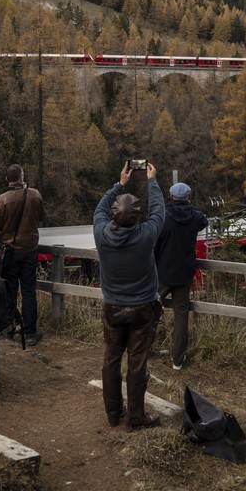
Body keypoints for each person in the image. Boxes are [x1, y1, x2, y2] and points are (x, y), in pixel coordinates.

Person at [93, 161, 164, 430]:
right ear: (137, 216)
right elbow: (159, 211)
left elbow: (99, 208)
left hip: (112, 307)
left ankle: (113, 414)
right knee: (137, 364)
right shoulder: (146, 235)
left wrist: (119, 184)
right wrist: (152, 181)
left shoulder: (101, 233)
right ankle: (135, 418)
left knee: (111, 359)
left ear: (113, 214)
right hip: (142, 310)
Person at [0, 164, 46, 346]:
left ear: (7, 180)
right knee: (28, 291)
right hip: (29, 251)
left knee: (10, 291)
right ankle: (30, 332)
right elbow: (42, 217)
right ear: (21, 177)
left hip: (9, 253)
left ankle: (10, 329)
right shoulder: (34, 195)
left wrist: (2, 245)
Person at [154, 182, 208, 370]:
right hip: (184, 273)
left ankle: (142, 349)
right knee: (181, 316)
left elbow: (154, 244)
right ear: (188, 197)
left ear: (170, 196)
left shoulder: (162, 216)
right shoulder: (194, 217)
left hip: (162, 272)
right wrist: (190, 207)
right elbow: (204, 221)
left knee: (150, 309)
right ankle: (178, 359)